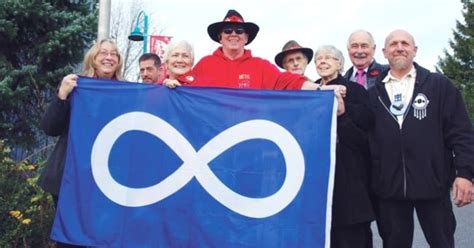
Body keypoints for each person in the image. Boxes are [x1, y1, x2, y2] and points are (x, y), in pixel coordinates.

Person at [367, 29, 474, 248]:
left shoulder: (439, 85)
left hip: (433, 186)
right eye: (394, 44)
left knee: (442, 243)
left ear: (414, 50)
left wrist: (465, 174)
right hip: (389, 190)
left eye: (405, 43)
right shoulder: (372, 94)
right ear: (385, 52)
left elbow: (461, 133)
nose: (399, 47)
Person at [38, 39, 124, 248]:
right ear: (93, 59)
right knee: (70, 239)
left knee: (102, 237)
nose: (108, 57)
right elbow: (50, 128)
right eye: (103, 53)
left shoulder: (126, 93)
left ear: (118, 62)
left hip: (106, 181)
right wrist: (62, 95)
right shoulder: (76, 87)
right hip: (69, 176)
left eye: (114, 54)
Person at [165, 9, 326, 91]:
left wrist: (321, 89)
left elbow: (288, 82)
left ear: (246, 38)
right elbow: (183, 85)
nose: (233, 34)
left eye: (239, 31)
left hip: (249, 141)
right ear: (220, 37)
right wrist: (169, 83)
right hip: (212, 141)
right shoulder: (205, 64)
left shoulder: (261, 66)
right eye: (228, 30)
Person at [314, 45, 375, 248]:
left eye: (328, 58)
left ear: (339, 64)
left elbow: (365, 141)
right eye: (318, 59)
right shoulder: (310, 93)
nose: (322, 61)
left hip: (350, 184)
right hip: (319, 184)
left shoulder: (355, 91)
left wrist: (342, 115)